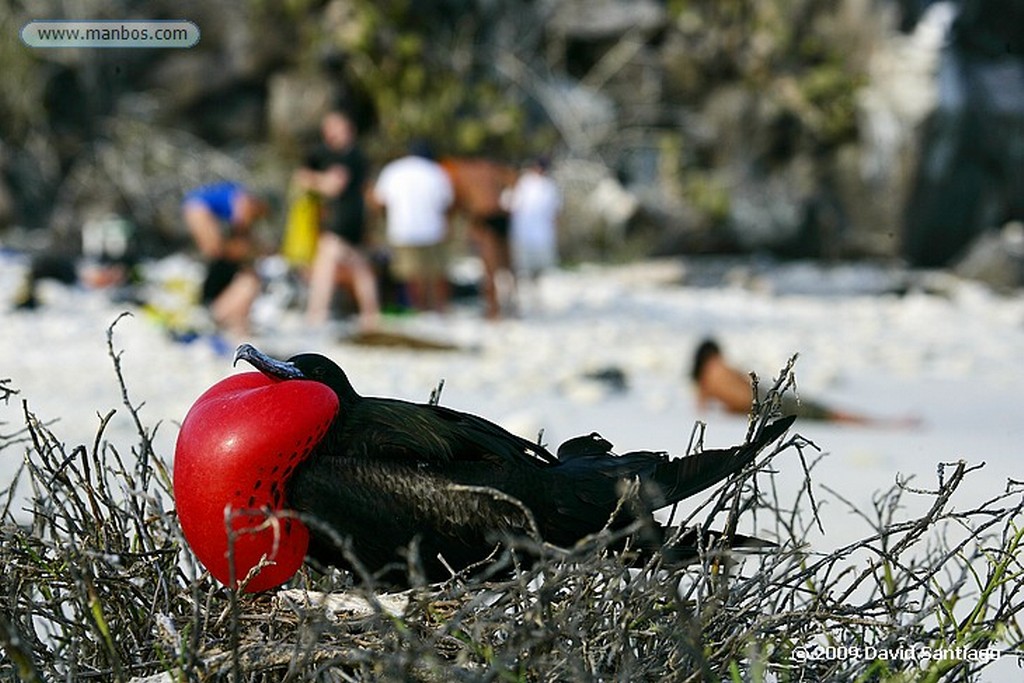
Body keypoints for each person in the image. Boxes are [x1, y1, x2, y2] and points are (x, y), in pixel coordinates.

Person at [690, 338, 919, 426]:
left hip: (762, 402)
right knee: (820, 412)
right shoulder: (717, 369)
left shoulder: (704, 380)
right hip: (764, 401)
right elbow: (741, 397)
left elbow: (709, 407)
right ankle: (878, 422)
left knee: (818, 411)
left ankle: (877, 421)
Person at [296, 110, 380, 330]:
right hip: (352, 218)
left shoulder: (350, 157)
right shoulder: (350, 155)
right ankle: (371, 314)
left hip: (343, 219)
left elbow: (333, 186)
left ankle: (317, 315)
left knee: (325, 267)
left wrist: (311, 180)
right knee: (359, 267)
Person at [371, 141, 454, 312]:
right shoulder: (436, 171)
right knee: (434, 274)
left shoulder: (393, 170)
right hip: (433, 229)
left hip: (401, 229)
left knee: (409, 275)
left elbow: (378, 201)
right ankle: (438, 309)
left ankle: (416, 309)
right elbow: (447, 202)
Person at [182, 182, 267, 336]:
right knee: (216, 252)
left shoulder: (237, 196)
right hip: (197, 208)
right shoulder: (245, 202)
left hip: (194, 205)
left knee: (217, 253)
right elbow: (240, 226)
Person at [507, 156, 561, 312]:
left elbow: (555, 212)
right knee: (521, 268)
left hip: (542, 235)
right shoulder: (523, 183)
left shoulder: (549, 187)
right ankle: (518, 298)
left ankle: (535, 297)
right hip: (523, 234)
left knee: (538, 270)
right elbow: (513, 205)